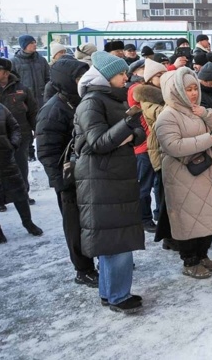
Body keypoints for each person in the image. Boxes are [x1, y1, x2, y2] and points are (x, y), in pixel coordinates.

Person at [74, 51, 146, 313]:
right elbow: (99, 142)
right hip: (102, 180)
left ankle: (110, 293)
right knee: (117, 241)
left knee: (112, 240)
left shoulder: (112, 98)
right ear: (106, 76)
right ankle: (118, 295)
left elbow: (138, 133)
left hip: (114, 176)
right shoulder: (91, 102)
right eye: (121, 73)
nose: (126, 77)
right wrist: (127, 126)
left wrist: (130, 130)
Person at [155, 67, 212, 278]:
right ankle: (190, 260)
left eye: (195, 88)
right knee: (187, 219)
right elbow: (172, 146)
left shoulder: (196, 110)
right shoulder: (167, 116)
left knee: (206, 216)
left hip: (205, 173)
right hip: (183, 176)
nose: (194, 93)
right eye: (188, 89)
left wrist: (206, 113)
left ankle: (203, 255)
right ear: (176, 90)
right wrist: (207, 140)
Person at [36, 57, 94, 283]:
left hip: (90, 174)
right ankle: (83, 269)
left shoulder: (84, 99)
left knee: (94, 220)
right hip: (69, 179)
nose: (83, 81)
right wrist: (61, 184)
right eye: (78, 78)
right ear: (65, 80)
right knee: (75, 225)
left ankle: (104, 257)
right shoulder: (53, 109)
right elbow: (47, 151)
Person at [133, 59, 169, 247]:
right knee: (151, 188)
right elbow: (160, 114)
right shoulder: (146, 97)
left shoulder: (165, 93)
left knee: (166, 192)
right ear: (149, 79)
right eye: (158, 75)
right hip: (153, 149)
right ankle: (150, 222)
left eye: (164, 74)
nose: (162, 77)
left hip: (167, 147)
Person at [0, 101, 43, 241]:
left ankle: (28, 223)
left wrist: (13, 144)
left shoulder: (1, 108)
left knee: (19, 193)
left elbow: (15, 128)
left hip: (6, 160)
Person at [0, 58, 39, 209]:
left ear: (6, 73)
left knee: (21, 166)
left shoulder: (22, 89)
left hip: (21, 134)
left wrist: (36, 128)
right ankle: (1, 200)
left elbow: (33, 111)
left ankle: (22, 195)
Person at [13, 34, 49, 163]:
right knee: (26, 126)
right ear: (24, 45)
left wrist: (47, 92)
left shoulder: (41, 60)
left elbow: (48, 78)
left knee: (43, 125)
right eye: (31, 43)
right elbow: (13, 82)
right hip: (23, 100)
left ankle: (45, 149)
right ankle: (29, 152)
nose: (34, 44)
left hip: (41, 98)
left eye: (34, 42)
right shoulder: (14, 61)